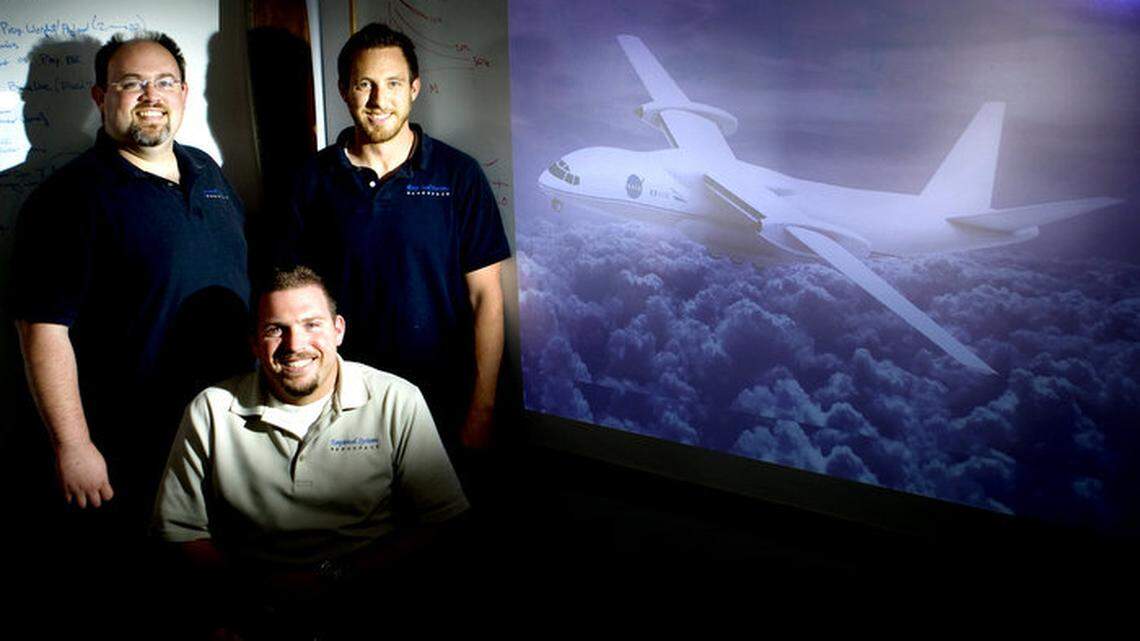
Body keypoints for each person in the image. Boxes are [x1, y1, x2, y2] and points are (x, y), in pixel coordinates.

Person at [9, 32, 250, 532]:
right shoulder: (68, 200)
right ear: (101, 96)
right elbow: (42, 332)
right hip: (131, 442)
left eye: (165, 82)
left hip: (226, 430)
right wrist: (73, 445)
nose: (151, 96)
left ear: (183, 94)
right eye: (131, 83)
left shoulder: (208, 172)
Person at [153, 266, 468, 635]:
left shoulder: (396, 399)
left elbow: (440, 520)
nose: (294, 344)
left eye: (311, 324)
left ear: (339, 330)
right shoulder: (210, 409)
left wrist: (333, 576)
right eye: (275, 329)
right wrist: (246, 596)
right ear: (255, 342)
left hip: (369, 603)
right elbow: (180, 531)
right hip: (250, 611)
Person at [272, 22, 510, 455]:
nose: (379, 100)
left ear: (415, 88)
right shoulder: (309, 181)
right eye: (365, 84)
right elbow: (292, 302)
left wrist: (482, 407)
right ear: (344, 89)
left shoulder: (459, 176)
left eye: (393, 84)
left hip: (444, 400)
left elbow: (486, 300)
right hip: (346, 403)